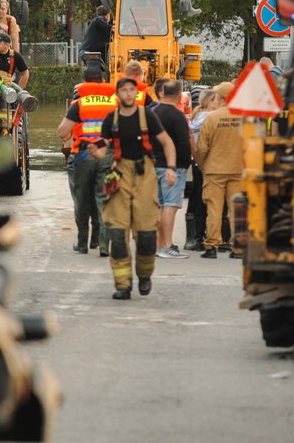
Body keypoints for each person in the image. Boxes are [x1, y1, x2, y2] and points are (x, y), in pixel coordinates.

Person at [88, 76, 177, 300]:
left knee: (147, 236)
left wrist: (171, 168)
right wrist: (96, 152)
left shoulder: (147, 115)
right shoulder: (112, 119)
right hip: (119, 173)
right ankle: (122, 285)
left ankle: (145, 275)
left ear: (135, 93)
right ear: (118, 95)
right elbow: (103, 144)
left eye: (131, 90)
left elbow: (167, 142)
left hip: (145, 173)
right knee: (117, 235)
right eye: (124, 90)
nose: (128, 94)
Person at [57, 60, 117, 256]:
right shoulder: (115, 102)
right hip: (106, 155)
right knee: (103, 198)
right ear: (104, 79)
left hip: (83, 155)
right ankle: (103, 245)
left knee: (82, 201)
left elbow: (62, 132)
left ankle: (82, 243)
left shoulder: (79, 104)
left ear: (84, 81)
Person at [195, 81, 244, 259]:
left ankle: (212, 246)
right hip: (238, 169)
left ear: (221, 98)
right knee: (237, 210)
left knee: (214, 209)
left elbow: (201, 148)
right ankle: (238, 247)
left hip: (214, 170)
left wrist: (202, 165)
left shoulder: (212, 117)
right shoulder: (244, 117)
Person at [147, 80, 192, 259]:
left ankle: (159, 244)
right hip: (172, 168)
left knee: (158, 206)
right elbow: (183, 142)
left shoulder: (151, 112)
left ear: (162, 93)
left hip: (152, 165)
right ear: (179, 95)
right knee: (170, 206)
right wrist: (184, 163)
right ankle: (167, 246)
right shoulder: (177, 115)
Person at [185, 88, 220, 251]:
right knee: (203, 198)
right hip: (205, 161)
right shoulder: (208, 117)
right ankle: (200, 235)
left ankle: (192, 237)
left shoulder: (197, 114)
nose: (218, 103)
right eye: (215, 100)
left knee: (195, 197)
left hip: (196, 160)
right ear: (208, 101)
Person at [78, 6, 112, 81]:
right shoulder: (99, 19)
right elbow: (105, 25)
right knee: (94, 70)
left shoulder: (100, 28)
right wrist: (115, 28)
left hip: (87, 52)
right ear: (107, 15)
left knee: (104, 71)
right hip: (88, 52)